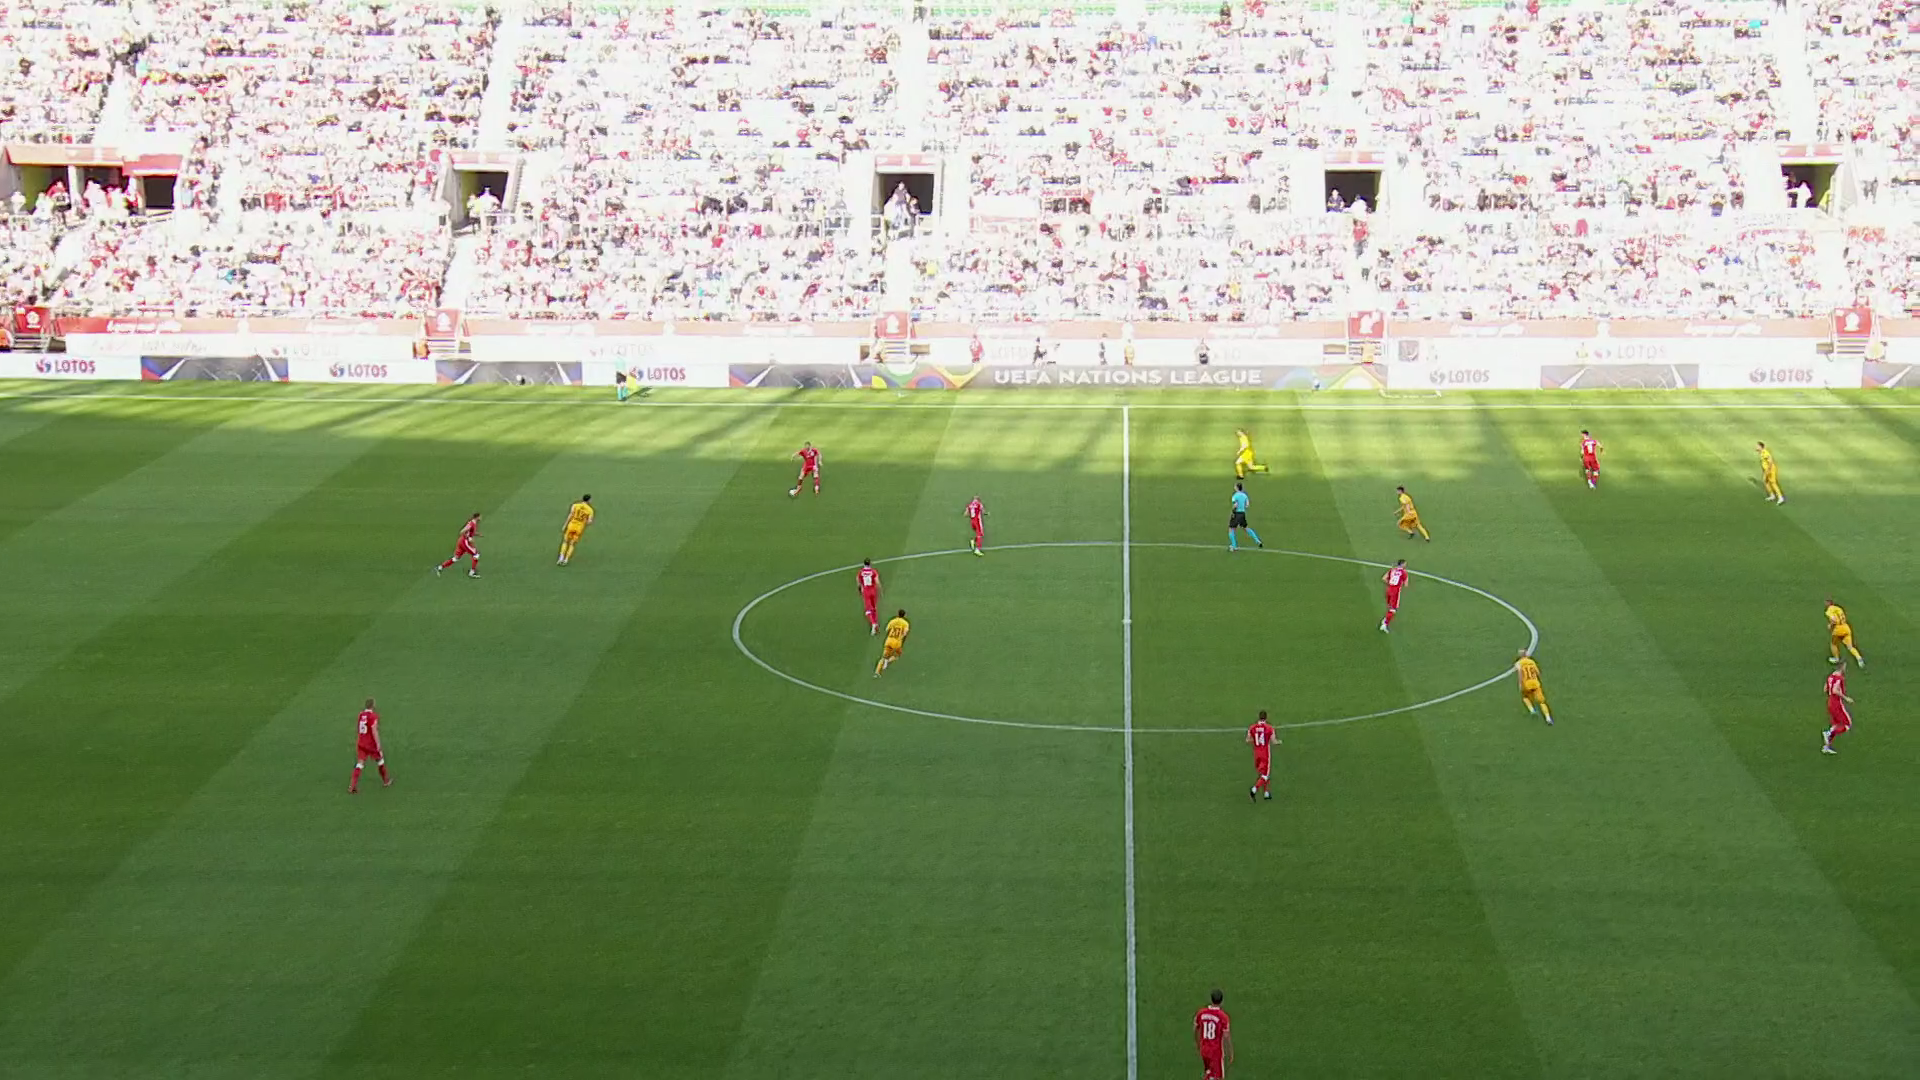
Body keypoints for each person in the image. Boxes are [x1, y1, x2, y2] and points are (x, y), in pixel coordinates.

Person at [350, 697, 390, 794]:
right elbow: (374, 730)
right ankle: (386, 781)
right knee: (380, 760)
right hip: (371, 744)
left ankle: (352, 786)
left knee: (360, 764)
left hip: (361, 743)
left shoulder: (361, 715)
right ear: (373, 705)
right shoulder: (373, 716)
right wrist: (378, 744)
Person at [1194, 989, 1233, 1080]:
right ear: (1221, 1001)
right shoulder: (1223, 1017)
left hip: (1204, 1049)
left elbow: (1195, 1028)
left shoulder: (1201, 1013)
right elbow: (1226, 1036)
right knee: (1218, 1077)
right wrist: (1230, 1052)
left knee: (1209, 1072)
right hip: (1215, 1052)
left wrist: (1198, 1043)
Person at [436, 513, 481, 577]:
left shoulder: (472, 523)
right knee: (476, 555)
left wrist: (478, 534)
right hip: (464, 542)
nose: (480, 518)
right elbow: (462, 531)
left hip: (461, 541)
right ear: (477, 517)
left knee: (456, 558)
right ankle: (472, 572)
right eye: (480, 517)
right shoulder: (472, 524)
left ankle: (440, 567)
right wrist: (468, 538)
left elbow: (471, 532)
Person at [1246, 710, 1277, 801]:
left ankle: (1266, 793)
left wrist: (1256, 741)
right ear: (1266, 717)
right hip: (1265, 753)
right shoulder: (1269, 728)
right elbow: (1274, 741)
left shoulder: (1252, 727)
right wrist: (1279, 742)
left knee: (1263, 773)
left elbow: (1248, 740)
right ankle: (1254, 789)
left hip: (1256, 753)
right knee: (1265, 775)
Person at [1516, 650, 1552, 725]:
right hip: (1535, 683)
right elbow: (1538, 673)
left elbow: (1520, 674)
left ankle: (1532, 710)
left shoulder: (1519, 663)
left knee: (1525, 697)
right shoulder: (1532, 662)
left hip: (1526, 684)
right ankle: (1548, 718)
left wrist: (1520, 684)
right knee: (1542, 702)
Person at [1825, 598, 1865, 667]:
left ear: (1828, 603)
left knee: (1833, 644)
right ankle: (1859, 658)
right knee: (1850, 647)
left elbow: (1834, 620)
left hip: (1838, 629)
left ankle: (1836, 658)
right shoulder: (1839, 608)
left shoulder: (1829, 610)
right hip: (1846, 627)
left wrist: (1830, 625)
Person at [1822, 668, 1853, 754]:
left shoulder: (1830, 677)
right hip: (1836, 704)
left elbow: (1825, 689)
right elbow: (1835, 690)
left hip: (1830, 702)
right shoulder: (1839, 678)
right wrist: (1846, 698)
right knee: (1847, 724)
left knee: (1835, 725)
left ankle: (1826, 747)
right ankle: (1828, 733)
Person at [558, 495, 593, 566]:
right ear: (589, 500)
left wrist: (565, 525)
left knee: (565, 541)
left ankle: (561, 558)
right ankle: (566, 559)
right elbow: (589, 521)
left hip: (571, 525)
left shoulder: (575, 505)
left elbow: (570, 515)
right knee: (572, 544)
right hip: (579, 528)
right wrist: (587, 521)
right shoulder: (590, 510)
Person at [874, 609, 910, 676]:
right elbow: (905, 633)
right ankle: (888, 661)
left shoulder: (892, 621)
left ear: (898, 614)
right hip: (897, 642)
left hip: (889, 640)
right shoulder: (905, 623)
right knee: (897, 655)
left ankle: (877, 672)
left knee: (883, 657)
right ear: (904, 615)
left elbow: (887, 629)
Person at [1228, 483, 1263, 551]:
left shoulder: (1235, 496)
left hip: (1236, 514)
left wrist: (1233, 512)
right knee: (1246, 528)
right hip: (1242, 513)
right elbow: (1247, 505)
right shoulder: (1245, 495)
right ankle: (1257, 540)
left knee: (1231, 529)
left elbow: (1235, 505)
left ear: (1237, 488)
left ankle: (1234, 546)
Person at [1380, 558, 1408, 632]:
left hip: (1389, 589)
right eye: (1405, 564)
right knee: (1393, 609)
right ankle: (1385, 624)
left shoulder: (1392, 570)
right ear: (1402, 564)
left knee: (1390, 607)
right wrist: (1401, 583)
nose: (1406, 565)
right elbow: (1406, 584)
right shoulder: (1403, 572)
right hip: (1395, 592)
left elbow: (1384, 578)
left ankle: (1385, 619)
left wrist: (1390, 583)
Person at [857, 559, 882, 634]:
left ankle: (873, 624)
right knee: (874, 608)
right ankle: (876, 623)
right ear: (870, 564)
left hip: (866, 591)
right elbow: (877, 581)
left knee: (868, 610)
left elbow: (858, 582)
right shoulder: (873, 571)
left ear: (864, 564)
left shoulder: (861, 572)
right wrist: (880, 590)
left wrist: (859, 590)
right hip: (873, 591)